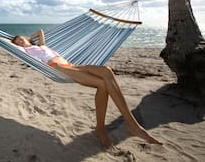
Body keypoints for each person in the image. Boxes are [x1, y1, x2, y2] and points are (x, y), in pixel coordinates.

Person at [11, 29, 162, 150]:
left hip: (70, 65)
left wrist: (30, 38)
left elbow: (40, 31)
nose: (21, 43)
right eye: (18, 43)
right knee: (102, 83)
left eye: (21, 40)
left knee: (106, 70)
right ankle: (128, 126)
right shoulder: (26, 52)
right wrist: (12, 41)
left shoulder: (40, 46)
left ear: (26, 38)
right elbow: (9, 44)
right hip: (56, 68)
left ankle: (111, 128)